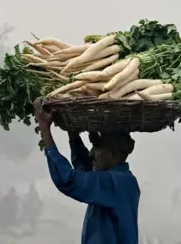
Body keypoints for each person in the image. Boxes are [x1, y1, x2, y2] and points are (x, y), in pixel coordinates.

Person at [34, 98, 140, 244]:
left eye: (97, 147)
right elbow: (84, 168)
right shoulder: (117, 179)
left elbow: (68, 180)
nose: (91, 153)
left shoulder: (117, 182)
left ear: (112, 153)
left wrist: (44, 128)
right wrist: (72, 130)